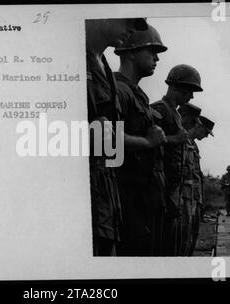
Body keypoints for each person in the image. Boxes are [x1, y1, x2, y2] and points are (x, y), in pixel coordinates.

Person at [86, 18, 148, 256]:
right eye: (127, 21)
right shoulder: (67, 59)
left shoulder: (105, 68)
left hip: (108, 190)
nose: (131, 29)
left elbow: (113, 143)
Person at [112, 25, 168, 256]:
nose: (156, 58)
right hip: (126, 196)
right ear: (131, 52)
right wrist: (147, 142)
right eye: (151, 51)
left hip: (144, 195)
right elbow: (105, 141)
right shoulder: (119, 90)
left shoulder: (136, 94)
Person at [151, 64, 203, 256]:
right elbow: (149, 145)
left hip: (174, 191)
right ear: (177, 87)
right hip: (162, 191)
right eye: (190, 90)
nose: (191, 96)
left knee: (175, 247)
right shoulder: (159, 110)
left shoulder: (174, 113)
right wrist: (175, 139)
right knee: (163, 249)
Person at [179, 106, 215, 256]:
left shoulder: (194, 145)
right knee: (183, 240)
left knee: (191, 238)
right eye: (206, 132)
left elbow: (197, 176)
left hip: (194, 199)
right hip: (185, 198)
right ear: (198, 125)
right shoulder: (183, 141)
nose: (206, 136)